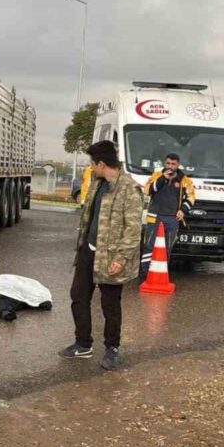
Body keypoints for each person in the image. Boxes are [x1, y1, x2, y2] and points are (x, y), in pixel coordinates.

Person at [60, 140, 144, 370]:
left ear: (101, 163)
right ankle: (83, 343)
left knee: (110, 305)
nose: (91, 168)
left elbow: (133, 230)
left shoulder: (129, 189)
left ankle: (112, 349)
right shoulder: (97, 184)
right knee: (78, 296)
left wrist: (121, 259)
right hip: (89, 251)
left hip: (111, 258)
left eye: (92, 164)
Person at [140, 153, 195, 282]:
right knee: (149, 246)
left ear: (178, 164)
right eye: (168, 163)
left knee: (167, 248)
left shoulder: (184, 180)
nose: (170, 166)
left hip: (172, 219)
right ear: (165, 163)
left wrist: (183, 210)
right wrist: (162, 179)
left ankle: (161, 275)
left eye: (173, 164)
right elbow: (147, 190)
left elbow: (191, 196)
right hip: (155, 216)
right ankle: (144, 275)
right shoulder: (157, 176)